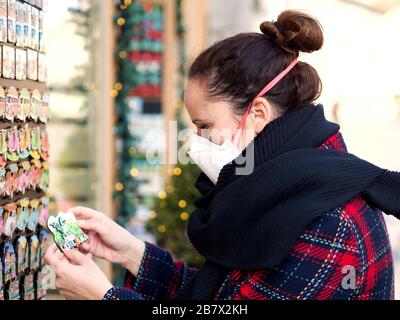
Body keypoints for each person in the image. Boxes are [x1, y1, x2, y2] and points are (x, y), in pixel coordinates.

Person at [45, 10, 400, 300]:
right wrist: (131, 253)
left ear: (258, 114)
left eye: (204, 126)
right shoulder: (282, 188)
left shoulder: (326, 218)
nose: (197, 142)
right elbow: (227, 298)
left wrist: (103, 296)